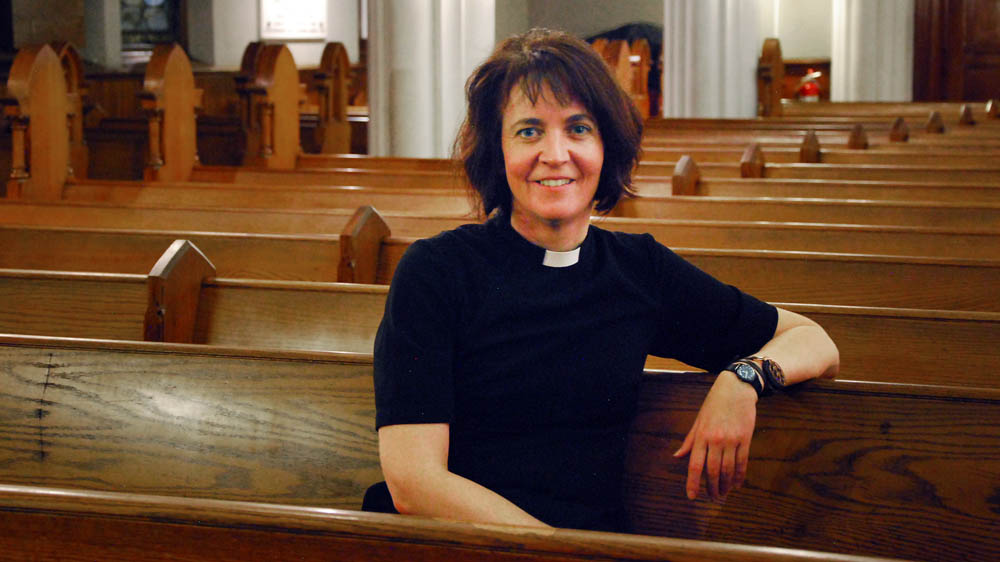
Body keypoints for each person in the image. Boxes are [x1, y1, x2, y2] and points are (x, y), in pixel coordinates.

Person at [362, 28, 839, 533]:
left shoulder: (639, 271)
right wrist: (560, 551)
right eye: (528, 131)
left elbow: (815, 341)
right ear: (497, 152)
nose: (555, 153)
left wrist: (742, 380)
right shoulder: (437, 272)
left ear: (606, 145)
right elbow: (414, 482)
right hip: (455, 545)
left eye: (578, 128)